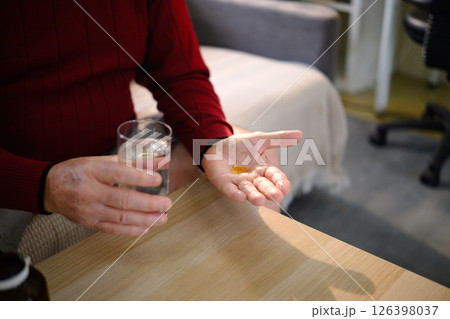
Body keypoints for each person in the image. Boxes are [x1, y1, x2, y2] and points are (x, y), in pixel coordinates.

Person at [0, 0, 301, 253]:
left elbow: (179, 73)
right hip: (21, 168)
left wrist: (212, 143)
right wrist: (45, 185)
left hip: (119, 144)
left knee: (239, 154)